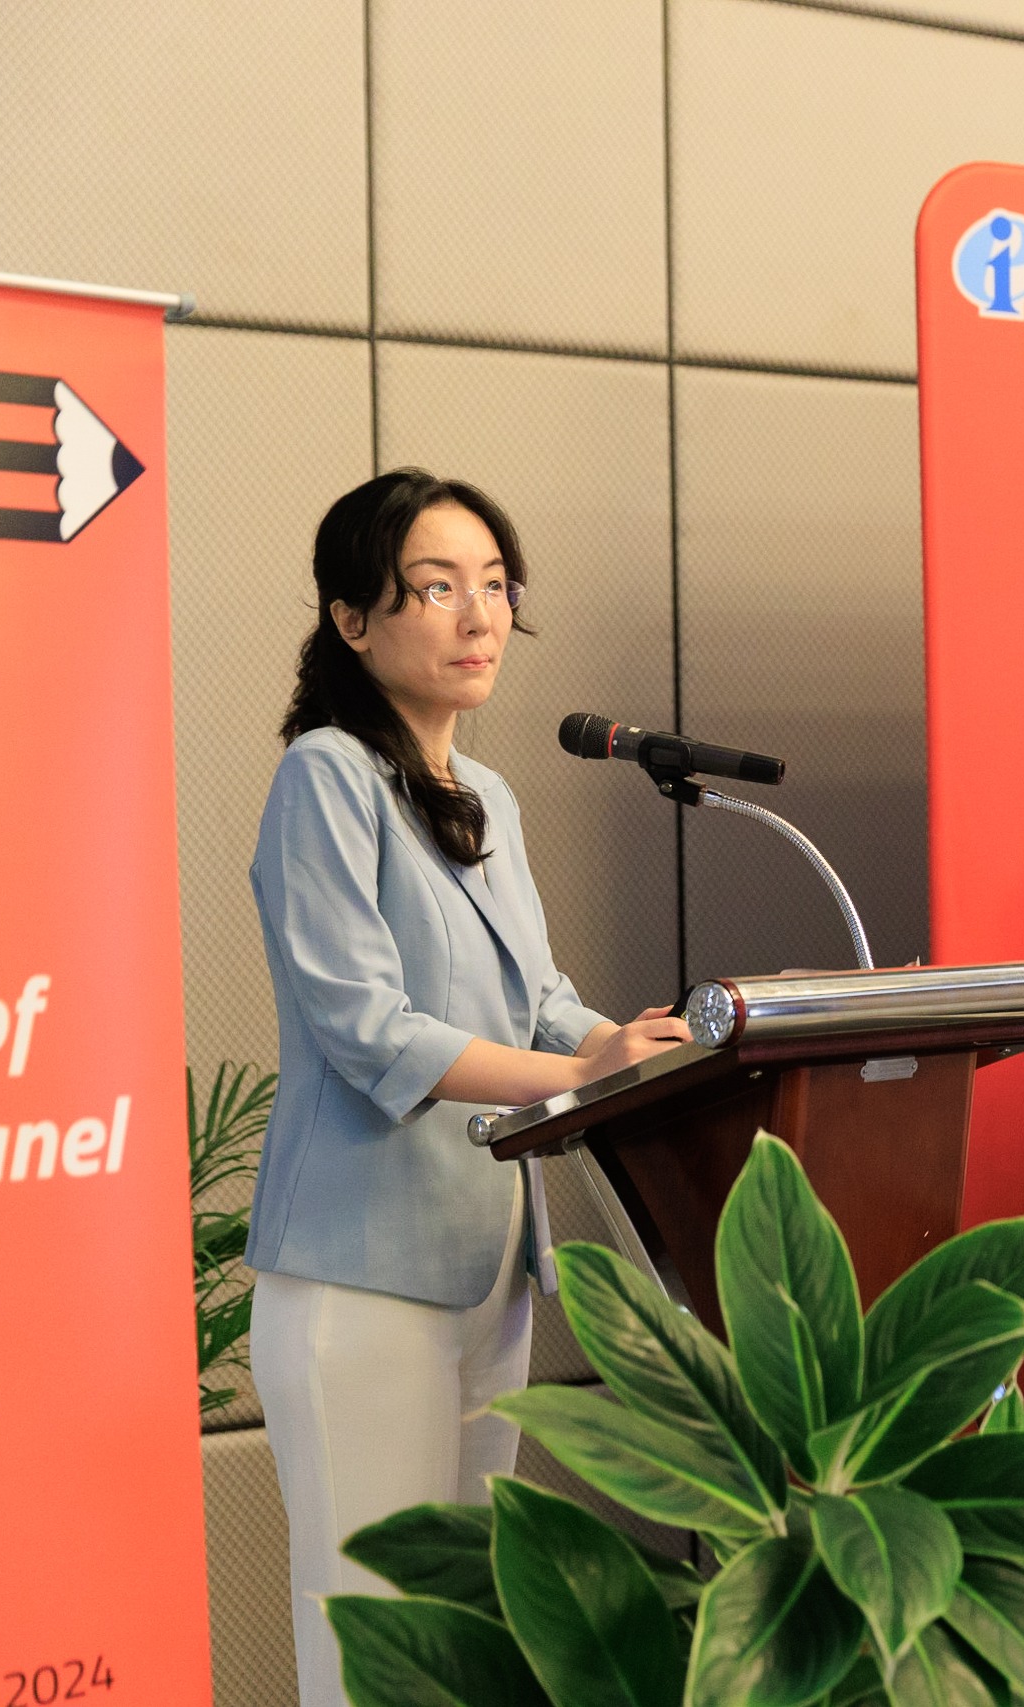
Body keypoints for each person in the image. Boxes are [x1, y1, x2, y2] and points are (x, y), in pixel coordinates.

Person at [246, 470, 692, 1707]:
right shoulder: (327, 777)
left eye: (494, 585)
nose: (479, 615)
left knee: (461, 1636)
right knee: (372, 1635)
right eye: (436, 589)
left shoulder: (486, 795)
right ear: (352, 619)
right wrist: (583, 1070)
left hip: (484, 1265)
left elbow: (539, 998)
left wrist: (652, 1048)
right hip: (357, 1269)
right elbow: (367, 1027)